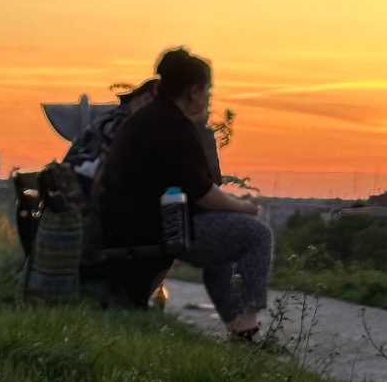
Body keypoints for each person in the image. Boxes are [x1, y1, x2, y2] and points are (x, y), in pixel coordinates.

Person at [92, 47, 271, 339]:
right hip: (158, 229)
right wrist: (243, 207)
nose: (210, 98)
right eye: (208, 90)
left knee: (224, 243)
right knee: (256, 235)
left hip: (126, 225)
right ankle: (247, 327)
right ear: (194, 90)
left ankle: (239, 329)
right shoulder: (173, 126)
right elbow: (204, 194)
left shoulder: (147, 118)